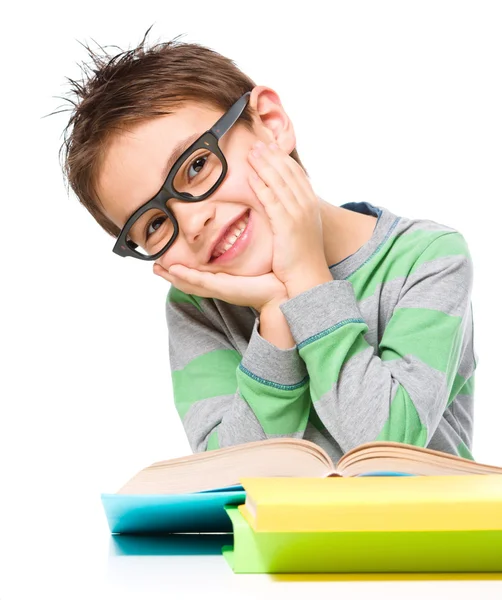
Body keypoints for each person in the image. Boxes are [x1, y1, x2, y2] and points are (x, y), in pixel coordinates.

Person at [58, 29, 477, 462]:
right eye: (154, 224)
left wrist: (306, 280)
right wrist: (276, 322)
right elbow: (227, 473)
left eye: (197, 165)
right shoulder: (199, 305)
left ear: (271, 124)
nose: (192, 220)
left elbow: (388, 448)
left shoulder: (428, 258)